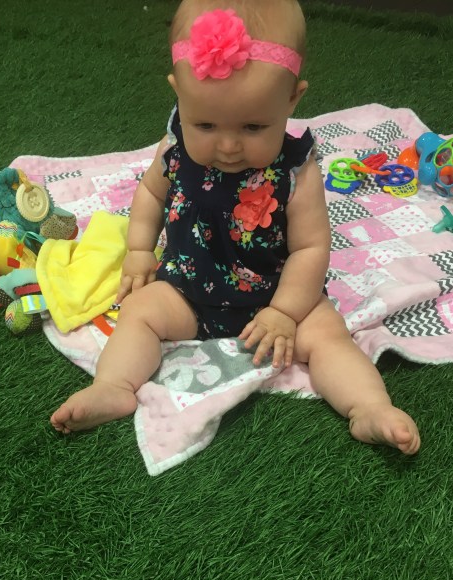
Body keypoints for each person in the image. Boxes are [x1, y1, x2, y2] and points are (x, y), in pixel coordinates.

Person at [51, 0, 420, 454]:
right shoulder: (175, 148)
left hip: (275, 298)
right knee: (139, 312)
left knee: (329, 336)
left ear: (292, 98)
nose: (227, 145)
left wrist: (285, 312)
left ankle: (369, 407)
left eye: (253, 126)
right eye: (205, 124)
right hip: (188, 292)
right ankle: (114, 386)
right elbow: (150, 193)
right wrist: (139, 250)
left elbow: (310, 248)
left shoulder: (295, 170)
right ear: (178, 94)